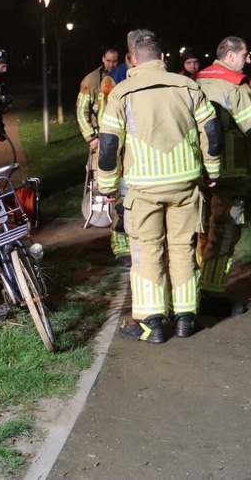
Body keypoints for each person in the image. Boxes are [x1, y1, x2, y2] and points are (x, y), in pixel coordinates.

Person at [97, 36, 222, 344]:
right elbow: (212, 131)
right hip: (185, 185)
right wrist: (213, 171)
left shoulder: (122, 93)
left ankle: (151, 323)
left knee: (146, 252)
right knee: (182, 249)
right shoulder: (189, 87)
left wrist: (107, 185)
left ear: (134, 60)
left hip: (144, 189)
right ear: (163, 57)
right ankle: (185, 318)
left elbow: (109, 144)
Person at [195, 36, 251, 316]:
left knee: (199, 229)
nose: (248, 60)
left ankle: (192, 290)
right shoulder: (236, 85)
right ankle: (212, 294)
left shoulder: (195, 81)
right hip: (229, 171)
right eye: (245, 55)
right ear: (230, 57)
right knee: (226, 230)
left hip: (197, 170)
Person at [75, 48, 131, 266]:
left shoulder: (120, 75)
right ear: (102, 60)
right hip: (102, 139)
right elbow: (82, 111)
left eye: (115, 61)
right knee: (108, 187)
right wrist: (90, 137)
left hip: (118, 139)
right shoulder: (91, 80)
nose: (111, 64)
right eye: (108, 61)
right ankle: (115, 236)